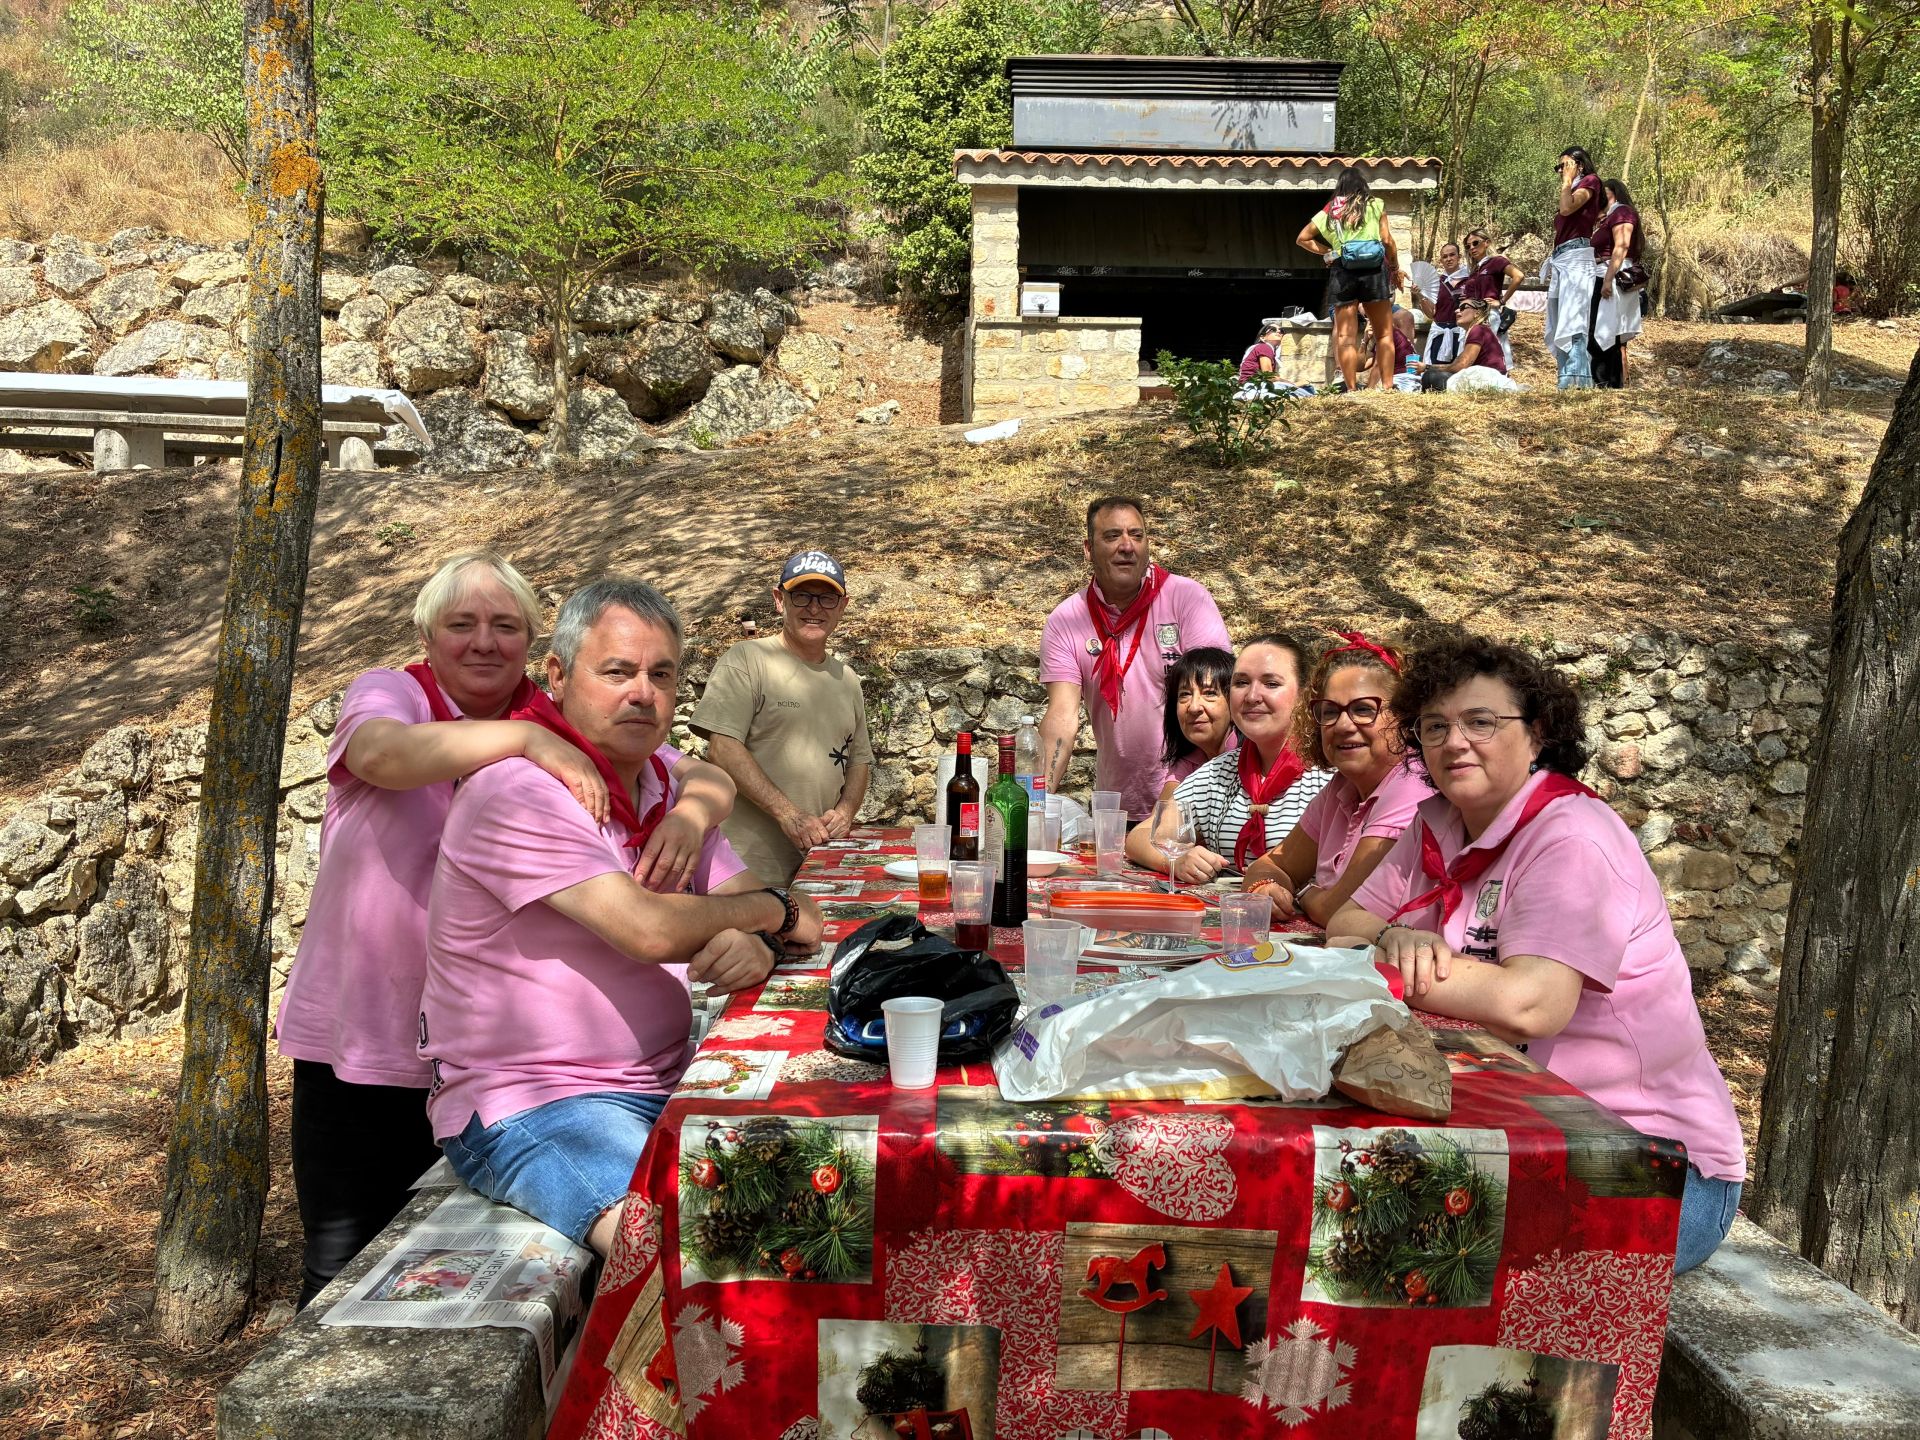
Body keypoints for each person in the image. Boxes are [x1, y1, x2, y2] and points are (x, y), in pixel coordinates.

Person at [273, 551, 736, 1306]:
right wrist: (524, 742)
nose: (485, 642)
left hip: (489, 1035)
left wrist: (690, 813)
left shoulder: (564, 712)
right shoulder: (399, 693)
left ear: (535, 647)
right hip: (369, 1028)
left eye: (506, 626)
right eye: (462, 624)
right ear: (428, 635)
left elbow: (699, 772)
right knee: (344, 1260)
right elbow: (382, 754)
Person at [421, 578, 823, 1256]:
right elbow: (649, 929)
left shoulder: (665, 783)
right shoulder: (517, 791)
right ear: (557, 676)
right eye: (617, 672)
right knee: (695, 1249)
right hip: (540, 1103)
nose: (643, 693)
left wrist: (760, 939)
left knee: (834, 1193)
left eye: (661, 674)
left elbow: (805, 921)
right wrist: (764, 911)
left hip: (669, 1078)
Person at [1325, 633, 1745, 1273]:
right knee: (1343, 1219)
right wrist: (1389, 937)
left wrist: (1394, 969)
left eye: (1481, 722)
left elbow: (1532, 1004)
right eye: (1434, 726)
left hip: (1648, 1160)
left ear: (1538, 732)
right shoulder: (1438, 821)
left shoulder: (1571, 837)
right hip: (1514, 1129)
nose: (1454, 742)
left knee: (1414, 1261)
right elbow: (1346, 922)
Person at [1039, 496, 1232, 819]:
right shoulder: (1066, 620)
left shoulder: (1187, 599)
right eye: (1112, 536)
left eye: (1136, 535)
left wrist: (1180, 791)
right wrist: (1036, 805)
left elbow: (1217, 699)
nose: (1127, 546)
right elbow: (1062, 715)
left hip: (1194, 803)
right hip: (1117, 810)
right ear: (1088, 549)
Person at [692, 550, 873, 884]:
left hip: (820, 865)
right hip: (745, 870)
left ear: (842, 606)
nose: (814, 608)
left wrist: (846, 812)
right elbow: (722, 748)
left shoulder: (847, 679)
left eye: (827, 598)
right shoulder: (746, 660)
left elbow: (859, 761)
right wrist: (789, 815)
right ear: (780, 600)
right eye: (802, 596)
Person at [1241, 633, 1431, 927]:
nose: (1343, 725)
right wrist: (1265, 887)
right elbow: (1274, 864)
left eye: (1363, 709)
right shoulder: (1342, 786)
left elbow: (1340, 908)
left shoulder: (1412, 784)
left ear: (1405, 719)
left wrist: (1303, 893)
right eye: (1330, 711)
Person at [1124, 633, 1330, 880]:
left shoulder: (1328, 775)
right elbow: (1140, 837)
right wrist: (1176, 860)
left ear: (1304, 695)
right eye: (1241, 683)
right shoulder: (1218, 773)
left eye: (1271, 684)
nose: (1252, 696)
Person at [1295, 167, 1403, 392]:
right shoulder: (1375, 205)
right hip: (1374, 272)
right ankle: (1388, 387)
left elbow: (1302, 238)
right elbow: (1387, 241)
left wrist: (1329, 252)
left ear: (1340, 186)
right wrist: (1394, 267)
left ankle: (1352, 389)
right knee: (1384, 333)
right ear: (1363, 184)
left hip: (1343, 272)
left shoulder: (1330, 210)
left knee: (1345, 336)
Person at [1545, 146, 1605, 389]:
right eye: (1558, 167)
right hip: (1562, 256)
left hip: (1577, 256)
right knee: (1560, 320)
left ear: (1579, 165)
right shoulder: (1571, 189)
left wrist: (1567, 181)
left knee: (1574, 320)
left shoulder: (1591, 181)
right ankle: (1565, 378)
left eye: (1564, 165)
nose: (1561, 171)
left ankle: (1577, 381)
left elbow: (1567, 208)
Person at [1589, 179, 1646, 389]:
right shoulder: (1609, 217)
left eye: (1603, 193)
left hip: (1612, 276)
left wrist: (1607, 279)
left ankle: (1606, 382)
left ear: (1614, 193)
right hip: (1604, 273)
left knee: (1603, 330)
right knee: (1605, 331)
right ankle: (1607, 383)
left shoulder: (1622, 213)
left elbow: (1621, 247)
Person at [1161, 646, 1237, 785]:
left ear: (1234, 705)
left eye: (1209, 693)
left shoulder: (1253, 756)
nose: (1194, 707)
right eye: (1185, 694)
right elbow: (1169, 797)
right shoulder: (1190, 759)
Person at [1414, 297, 1517, 392]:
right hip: (1486, 379)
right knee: (1432, 376)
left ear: (1477, 313)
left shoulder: (1478, 330)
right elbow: (1457, 364)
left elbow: (1461, 365)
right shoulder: (1477, 330)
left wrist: (1427, 367)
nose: (1456, 311)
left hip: (1490, 382)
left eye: (1463, 308)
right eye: (1458, 308)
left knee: (1431, 377)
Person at [1459, 230, 1525, 367]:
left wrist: (1501, 301)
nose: (1472, 248)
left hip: (1488, 314)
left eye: (1475, 243)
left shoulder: (1496, 261)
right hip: (1472, 316)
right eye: (1468, 246)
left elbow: (1518, 276)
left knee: (1487, 354)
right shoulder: (1474, 269)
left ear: (1487, 243)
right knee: (1473, 355)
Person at [1412, 241, 1469, 365]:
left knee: (1459, 371)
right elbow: (1431, 314)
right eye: (1445, 256)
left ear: (1459, 257)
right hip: (1439, 332)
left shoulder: (1469, 280)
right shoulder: (1437, 283)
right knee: (1434, 371)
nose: (1448, 259)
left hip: (1461, 333)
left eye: (1452, 255)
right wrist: (1420, 295)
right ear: (1441, 261)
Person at [1237, 320, 1282, 386]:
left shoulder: (1265, 348)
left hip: (1249, 385)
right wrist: (1290, 383)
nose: (1278, 331)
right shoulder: (1264, 347)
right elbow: (1268, 376)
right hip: (1252, 385)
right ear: (1263, 337)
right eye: (1273, 330)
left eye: (1281, 331)